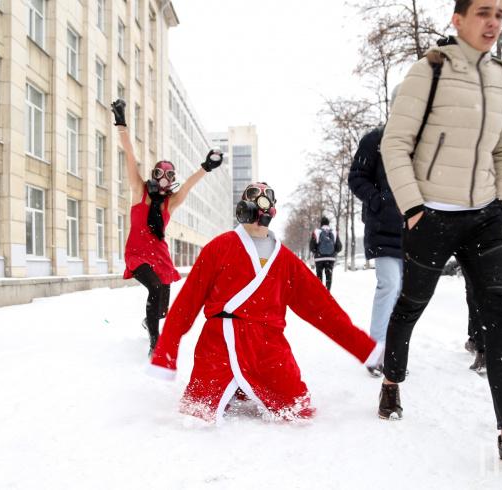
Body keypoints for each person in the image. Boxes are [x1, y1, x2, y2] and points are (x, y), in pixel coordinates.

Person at [377, 0, 502, 473]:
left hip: (484, 218)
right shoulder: (429, 71)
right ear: (458, 20)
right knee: (411, 305)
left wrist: (501, 203)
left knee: (501, 312)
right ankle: (392, 380)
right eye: (483, 12)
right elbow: (394, 143)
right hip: (432, 216)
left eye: (499, 12)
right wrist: (415, 208)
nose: (493, 21)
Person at [147, 182, 381, 423]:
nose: (257, 204)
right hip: (220, 342)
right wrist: (166, 353)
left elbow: (323, 309)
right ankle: (234, 384)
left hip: (268, 347)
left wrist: (364, 348)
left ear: (272, 209)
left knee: (297, 408)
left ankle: (243, 385)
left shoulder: (286, 261)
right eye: (251, 196)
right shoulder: (219, 247)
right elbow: (187, 302)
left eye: (263, 198)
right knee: (198, 411)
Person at [112, 99, 223, 357]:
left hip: (160, 258)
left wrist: (206, 167)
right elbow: (130, 156)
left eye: (170, 176)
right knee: (154, 288)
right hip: (137, 256)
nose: (165, 180)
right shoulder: (139, 191)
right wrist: (121, 123)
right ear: (153, 175)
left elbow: (189, 186)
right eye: (160, 174)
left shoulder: (169, 204)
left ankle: (151, 322)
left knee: (162, 309)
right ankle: (155, 342)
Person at [348, 125, 404, 377]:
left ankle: (395, 352)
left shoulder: (419, 138)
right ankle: (376, 351)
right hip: (382, 227)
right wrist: (379, 201)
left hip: (413, 229)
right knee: (389, 285)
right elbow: (356, 177)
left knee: (405, 294)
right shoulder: (376, 139)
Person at [309, 217, 342, 290]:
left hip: (319, 258)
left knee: (319, 276)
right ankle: (328, 293)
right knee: (329, 276)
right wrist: (333, 252)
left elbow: (312, 246)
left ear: (321, 224)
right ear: (328, 223)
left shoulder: (317, 232)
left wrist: (316, 252)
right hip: (330, 258)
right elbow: (339, 247)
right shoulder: (334, 232)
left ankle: (320, 294)